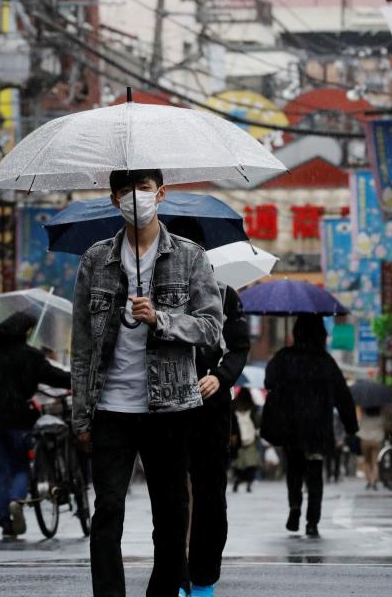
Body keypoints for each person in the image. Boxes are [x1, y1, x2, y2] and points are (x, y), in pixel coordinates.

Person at [71, 169, 223, 597]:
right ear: (113, 198)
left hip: (171, 407)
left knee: (172, 514)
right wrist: (81, 416)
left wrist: (162, 319)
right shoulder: (95, 259)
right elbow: (82, 344)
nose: (135, 199)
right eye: (124, 191)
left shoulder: (190, 256)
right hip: (111, 408)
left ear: (160, 193)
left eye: (142, 189)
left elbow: (212, 329)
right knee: (108, 511)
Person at [166, 216, 250, 597]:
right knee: (170, 491)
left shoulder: (225, 292)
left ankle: (203, 575)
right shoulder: (151, 290)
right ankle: (172, 570)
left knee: (210, 491)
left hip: (210, 403)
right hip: (165, 402)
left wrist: (221, 376)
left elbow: (239, 347)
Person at [264, 314, 358, 538]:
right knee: (315, 474)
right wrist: (351, 426)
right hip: (318, 428)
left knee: (294, 469)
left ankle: (294, 507)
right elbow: (343, 396)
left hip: (292, 426)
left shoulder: (284, 358)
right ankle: (312, 522)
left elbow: (269, 382)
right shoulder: (326, 362)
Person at [0, 312, 70, 538]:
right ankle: (16, 502)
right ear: (26, 331)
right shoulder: (31, 356)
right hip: (20, 420)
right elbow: (54, 377)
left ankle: (6, 524)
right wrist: (77, 379)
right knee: (21, 467)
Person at [230, 389, 262, 493]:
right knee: (251, 464)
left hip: (237, 440)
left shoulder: (233, 407)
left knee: (238, 464)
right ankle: (249, 481)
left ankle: (238, 479)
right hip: (251, 440)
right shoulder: (253, 408)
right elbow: (257, 424)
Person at [359, 406, 386, 491]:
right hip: (377, 440)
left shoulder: (363, 417)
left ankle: (368, 481)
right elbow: (384, 426)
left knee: (367, 461)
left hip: (365, 440)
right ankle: (374, 481)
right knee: (375, 462)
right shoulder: (381, 418)